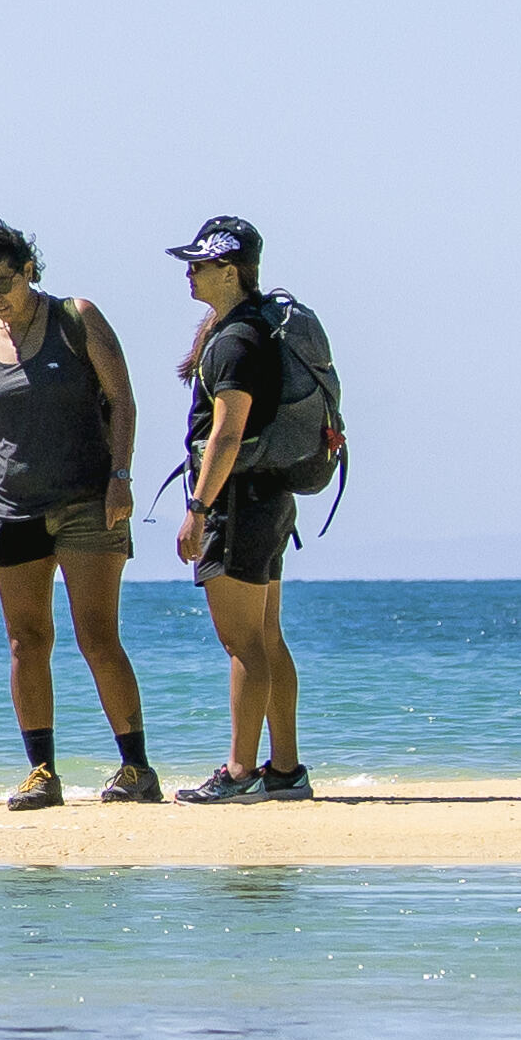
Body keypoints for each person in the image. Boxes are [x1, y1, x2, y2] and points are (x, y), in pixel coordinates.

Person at [0, 218, 165, 809]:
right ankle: (42, 771)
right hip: (8, 506)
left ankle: (136, 767)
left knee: (96, 635)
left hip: (87, 500)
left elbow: (123, 399)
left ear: (29, 270)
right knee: (26, 640)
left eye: (3, 283)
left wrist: (120, 479)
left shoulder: (76, 317)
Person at [165, 215, 330, 798]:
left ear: (229, 271)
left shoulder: (234, 341)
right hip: (271, 498)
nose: (189, 272)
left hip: (238, 501)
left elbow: (227, 434)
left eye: (200, 263)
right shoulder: (255, 326)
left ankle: (239, 772)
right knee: (267, 639)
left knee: (244, 645)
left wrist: (198, 507)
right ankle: (284, 770)